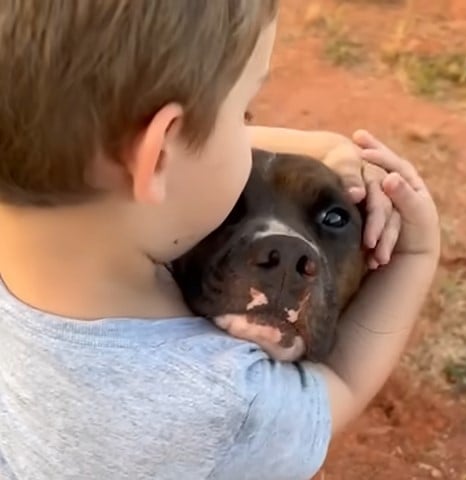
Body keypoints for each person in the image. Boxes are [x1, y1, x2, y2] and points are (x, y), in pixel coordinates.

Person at [0, 2, 440, 479]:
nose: (250, 135)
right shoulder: (228, 404)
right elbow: (345, 384)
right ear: (161, 151)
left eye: (332, 218)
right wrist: (418, 254)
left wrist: (323, 148)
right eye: (244, 115)